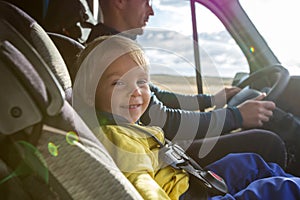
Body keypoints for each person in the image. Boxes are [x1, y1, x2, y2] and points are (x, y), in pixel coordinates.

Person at [76, 35, 300, 200]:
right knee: (276, 189)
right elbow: (140, 183)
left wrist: (211, 100)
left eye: (142, 82)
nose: (136, 92)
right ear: (89, 93)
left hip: (186, 179)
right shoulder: (116, 137)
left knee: (250, 163)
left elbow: (162, 99)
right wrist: (235, 115)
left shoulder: (127, 125)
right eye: (118, 83)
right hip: (182, 194)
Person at [75, 0, 292, 169]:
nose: (151, 11)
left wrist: (212, 100)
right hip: (161, 149)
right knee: (267, 143)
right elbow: (163, 119)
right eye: (145, 2)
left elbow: (157, 96)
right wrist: (236, 116)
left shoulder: (115, 45)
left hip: (159, 145)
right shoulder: (106, 50)